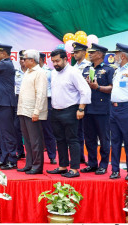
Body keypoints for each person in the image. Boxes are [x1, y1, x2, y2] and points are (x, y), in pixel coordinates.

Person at [46, 49, 91, 178]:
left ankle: (75, 169)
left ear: (66, 59)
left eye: (57, 61)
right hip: (56, 111)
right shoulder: (54, 73)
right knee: (60, 140)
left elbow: (85, 91)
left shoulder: (73, 72)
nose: (55, 64)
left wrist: (81, 109)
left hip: (71, 110)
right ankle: (63, 166)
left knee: (72, 140)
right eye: (53, 61)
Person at [80, 43, 113, 175]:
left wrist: (98, 87)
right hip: (88, 108)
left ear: (100, 54)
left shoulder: (109, 70)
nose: (90, 54)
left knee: (104, 139)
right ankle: (92, 164)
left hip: (102, 110)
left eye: (93, 52)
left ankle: (103, 165)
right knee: (89, 138)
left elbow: (112, 88)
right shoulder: (86, 69)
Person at [16, 49, 48, 174]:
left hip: (33, 111)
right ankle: (29, 164)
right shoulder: (28, 72)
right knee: (27, 140)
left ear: (32, 60)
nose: (23, 61)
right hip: (23, 109)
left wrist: (37, 111)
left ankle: (37, 166)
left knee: (35, 141)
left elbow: (40, 93)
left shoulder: (39, 72)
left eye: (25, 58)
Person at [109, 43, 128, 180]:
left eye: (116, 54)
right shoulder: (117, 70)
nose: (114, 56)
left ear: (122, 56)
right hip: (114, 108)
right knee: (115, 141)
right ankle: (115, 170)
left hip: (126, 108)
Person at [73, 42, 90, 165]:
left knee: (86, 132)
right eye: (74, 52)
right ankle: (79, 157)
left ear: (84, 52)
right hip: (75, 102)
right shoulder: (73, 67)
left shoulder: (89, 66)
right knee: (76, 131)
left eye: (77, 52)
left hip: (86, 103)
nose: (75, 54)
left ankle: (89, 159)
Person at [39, 52, 57, 164]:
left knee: (48, 130)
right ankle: (37, 156)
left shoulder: (49, 72)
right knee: (36, 131)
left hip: (47, 101)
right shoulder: (32, 71)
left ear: (41, 59)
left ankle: (52, 156)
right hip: (36, 102)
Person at [14, 50, 26, 159]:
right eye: (20, 58)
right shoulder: (16, 72)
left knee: (30, 127)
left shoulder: (34, 72)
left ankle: (33, 153)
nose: (22, 61)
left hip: (29, 99)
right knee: (16, 127)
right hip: (17, 99)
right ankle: (20, 151)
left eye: (24, 58)